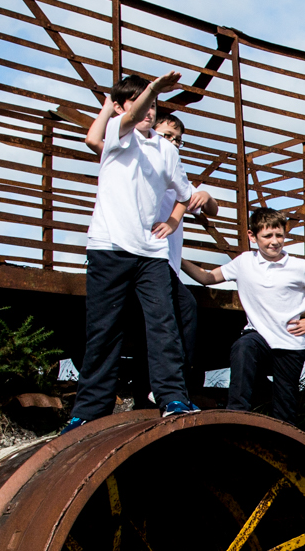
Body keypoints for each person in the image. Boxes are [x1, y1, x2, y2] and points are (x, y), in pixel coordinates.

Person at [65, 72, 209, 431]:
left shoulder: (166, 151)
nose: (149, 111)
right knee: (104, 329)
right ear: (121, 107)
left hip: (152, 254)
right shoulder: (119, 136)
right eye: (142, 103)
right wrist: (152, 90)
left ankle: (172, 398)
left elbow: (185, 193)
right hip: (109, 246)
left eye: (154, 105)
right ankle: (89, 411)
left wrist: (174, 221)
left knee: (164, 325)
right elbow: (121, 121)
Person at [178, 206, 305, 425]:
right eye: (267, 236)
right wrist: (176, 258)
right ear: (253, 237)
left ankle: (283, 446)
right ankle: (236, 415)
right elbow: (207, 278)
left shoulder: (298, 267)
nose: (274, 241)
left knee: (284, 409)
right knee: (243, 346)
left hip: (290, 342)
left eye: (279, 235)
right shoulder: (244, 262)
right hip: (259, 336)